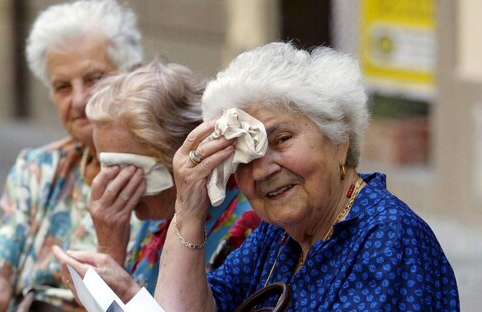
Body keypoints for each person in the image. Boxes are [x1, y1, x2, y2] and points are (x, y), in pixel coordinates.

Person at [154, 42, 459, 311]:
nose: (262, 170)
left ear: (339, 140)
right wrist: (189, 211)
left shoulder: (389, 235)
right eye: (243, 155)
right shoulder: (278, 235)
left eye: (282, 139)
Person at [0, 1, 144, 311]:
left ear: (133, 76)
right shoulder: (40, 168)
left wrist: (110, 248)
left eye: (95, 79)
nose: (79, 100)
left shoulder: (161, 185)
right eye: (63, 86)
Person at [52, 60, 261, 303]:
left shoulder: (248, 226)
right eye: (104, 166)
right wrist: (110, 251)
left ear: (183, 152)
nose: (109, 182)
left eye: (125, 169)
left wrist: (128, 292)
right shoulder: (155, 213)